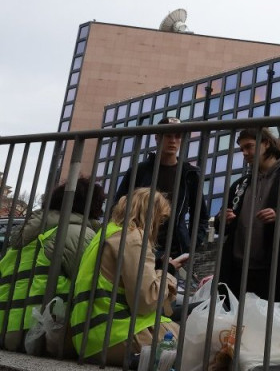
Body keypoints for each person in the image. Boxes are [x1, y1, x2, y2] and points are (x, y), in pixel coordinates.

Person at [70, 188, 185, 365]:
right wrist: (167, 275)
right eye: (160, 218)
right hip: (115, 336)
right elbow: (145, 301)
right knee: (197, 341)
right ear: (151, 213)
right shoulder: (133, 236)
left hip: (89, 338)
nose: (160, 225)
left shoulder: (106, 233)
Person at [0, 177, 105, 352]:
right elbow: (88, 284)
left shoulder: (24, 237)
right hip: (38, 335)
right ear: (92, 205)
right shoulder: (77, 234)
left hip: (7, 332)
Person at [115, 117, 208, 260]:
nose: (173, 140)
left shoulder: (189, 174)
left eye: (177, 136)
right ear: (157, 137)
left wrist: (190, 245)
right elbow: (117, 207)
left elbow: (201, 216)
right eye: (168, 135)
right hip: (140, 245)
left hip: (175, 251)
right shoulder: (139, 171)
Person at [220, 127, 280, 300]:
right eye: (242, 149)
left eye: (249, 146)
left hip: (274, 271)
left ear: (266, 143)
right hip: (237, 272)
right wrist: (223, 219)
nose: (245, 153)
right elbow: (221, 220)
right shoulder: (240, 184)